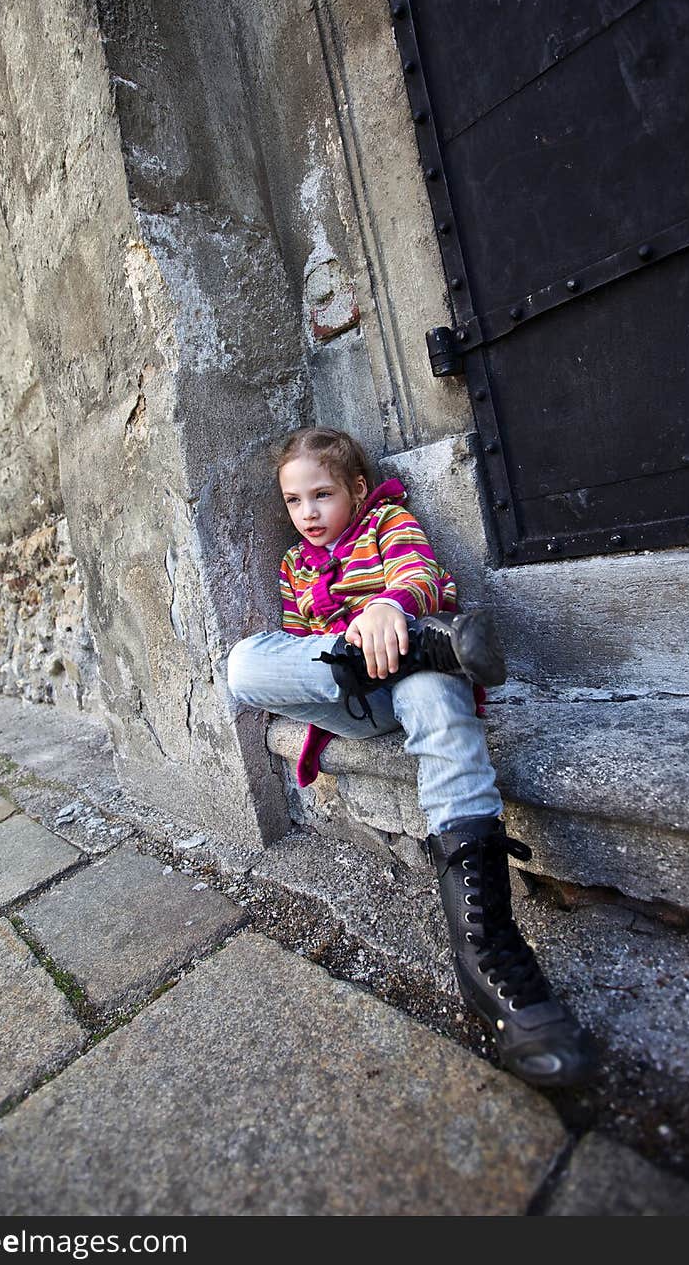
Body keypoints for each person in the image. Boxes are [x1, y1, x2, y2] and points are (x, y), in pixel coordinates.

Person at [225, 425, 597, 1088]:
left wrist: (391, 609)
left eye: (322, 495)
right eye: (294, 501)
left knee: (432, 689)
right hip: (353, 698)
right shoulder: (292, 568)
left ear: (357, 490)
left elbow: (419, 572)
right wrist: (350, 642)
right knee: (246, 664)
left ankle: (485, 951)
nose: (308, 513)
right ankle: (429, 645)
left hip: (413, 688)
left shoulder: (385, 523)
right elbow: (296, 658)